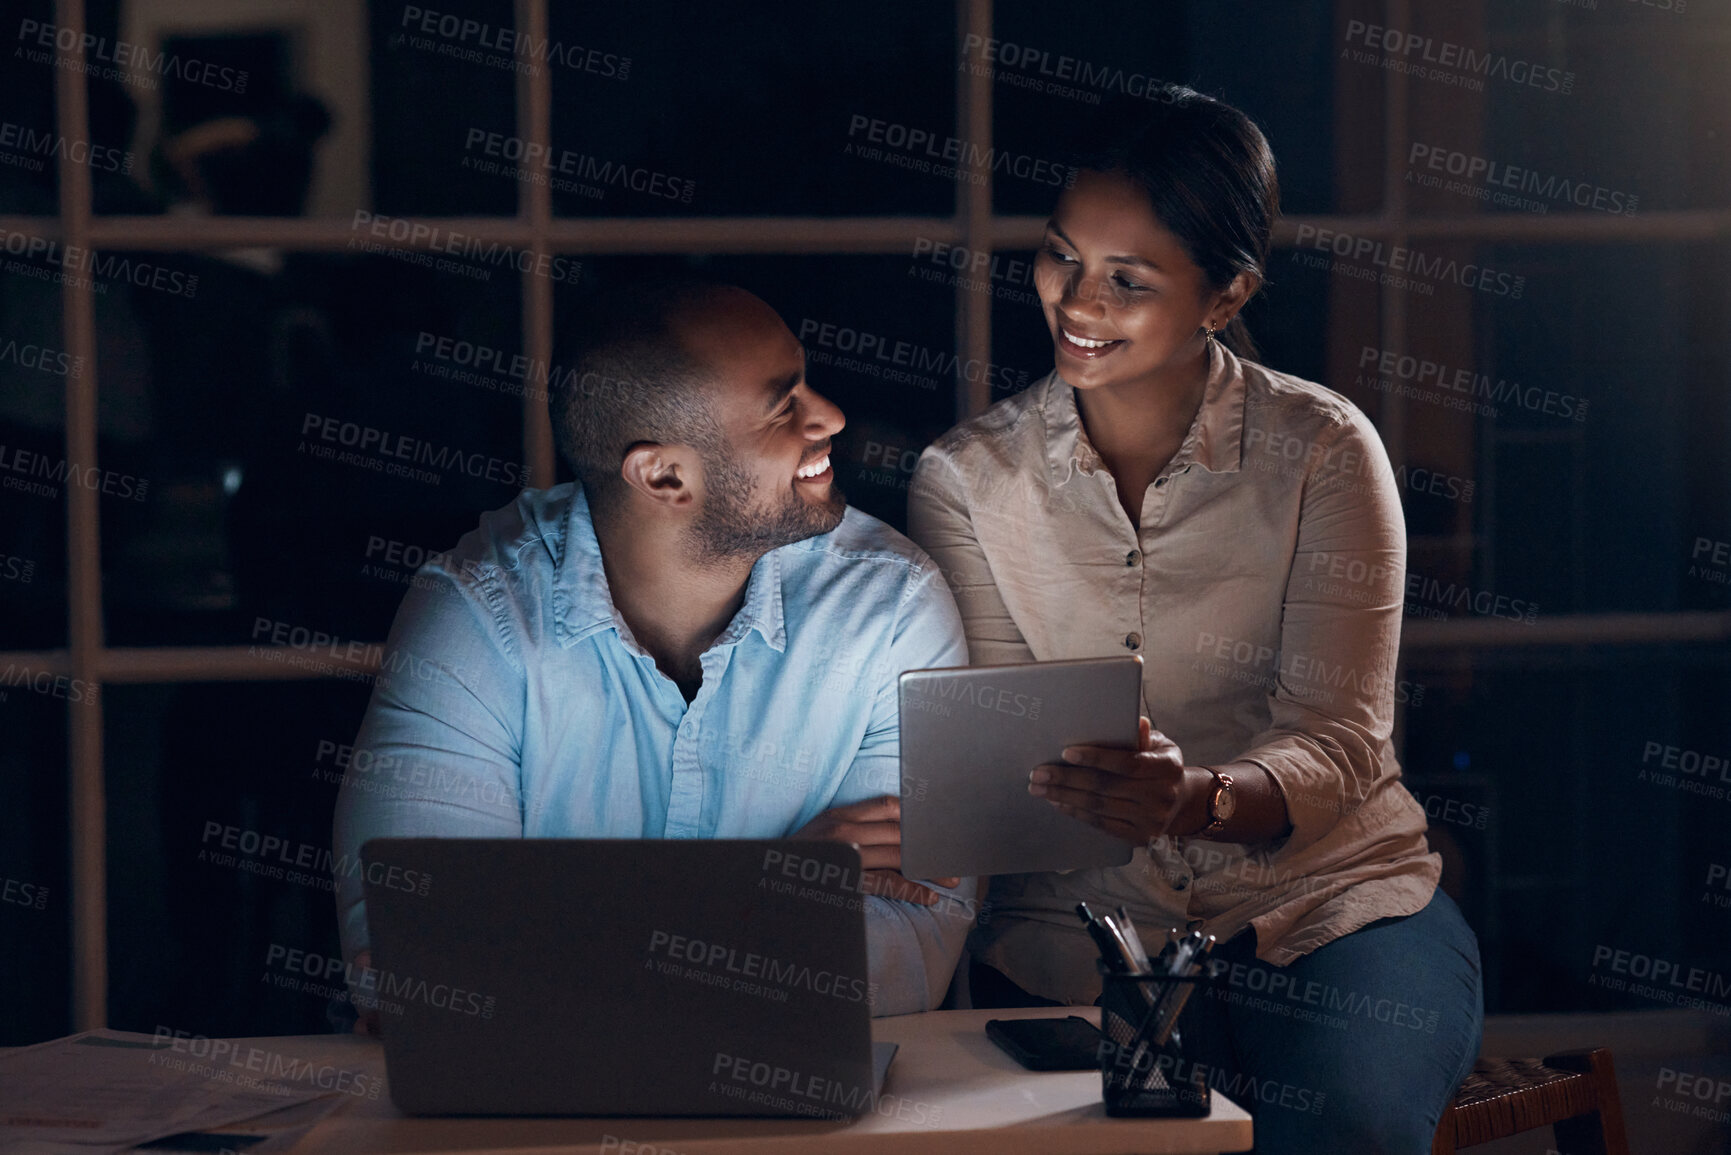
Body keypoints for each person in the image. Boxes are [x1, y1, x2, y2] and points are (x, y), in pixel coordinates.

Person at [907, 90, 1482, 1152]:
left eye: (1128, 280)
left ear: (1226, 298)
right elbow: (993, 750)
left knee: (1341, 1123)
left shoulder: (1321, 451)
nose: (1076, 301)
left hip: (1327, 906)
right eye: (1061, 256)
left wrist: (1195, 798)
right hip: (1077, 932)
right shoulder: (968, 478)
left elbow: (1343, 743)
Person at [333, 281, 973, 1023]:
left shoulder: (890, 606)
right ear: (664, 475)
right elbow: (410, 968)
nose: (828, 416)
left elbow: (907, 957)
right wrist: (769, 886)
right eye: (782, 405)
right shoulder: (476, 613)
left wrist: (552, 947)